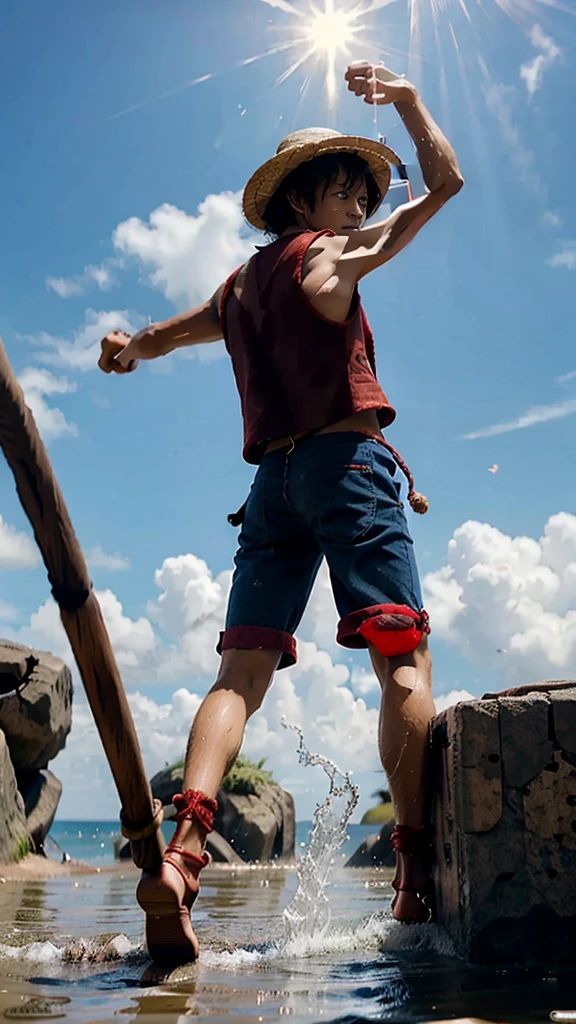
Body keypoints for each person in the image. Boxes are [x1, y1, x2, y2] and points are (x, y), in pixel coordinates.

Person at [99, 60, 463, 964]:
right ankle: (412, 879)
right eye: (348, 191)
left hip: (273, 487)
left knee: (239, 676)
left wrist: (128, 349)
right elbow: (448, 183)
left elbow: (160, 334)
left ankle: (185, 846)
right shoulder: (327, 256)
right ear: (313, 199)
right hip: (346, 467)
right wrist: (412, 101)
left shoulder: (239, 287)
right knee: (402, 658)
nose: (356, 206)